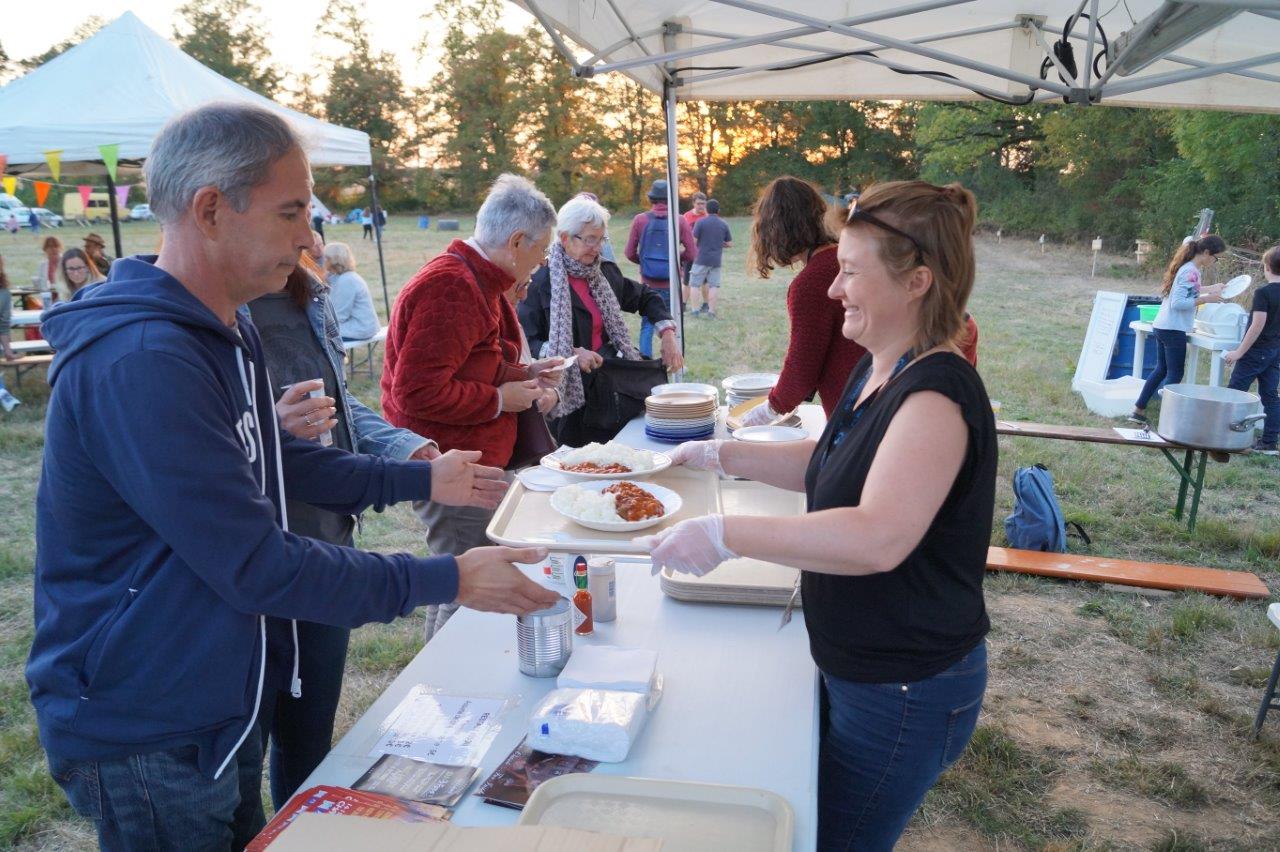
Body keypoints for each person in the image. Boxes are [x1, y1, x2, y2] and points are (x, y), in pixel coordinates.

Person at [26, 103, 558, 851]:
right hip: (149, 722)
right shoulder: (146, 360)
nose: (310, 238)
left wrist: (420, 480)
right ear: (211, 210)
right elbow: (254, 564)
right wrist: (450, 578)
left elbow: (274, 460)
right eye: (290, 214)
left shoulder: (226, 325)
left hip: (217, 696)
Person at [640, 180, 996, 851]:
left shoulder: (936, 395)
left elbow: (876, 537)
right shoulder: (879, 367)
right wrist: (723, 455)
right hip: (861, 664)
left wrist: (725, 534)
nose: (834, 290)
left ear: (917, 281)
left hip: (904, 686)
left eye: (852, 274)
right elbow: (830, 458)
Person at [247, 248, 440, 810]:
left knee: (308, 739)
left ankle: (302, 830)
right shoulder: (209, 310)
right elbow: (201, 435)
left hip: (326, 537)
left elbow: (337, 403)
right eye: (290, 212)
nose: (307, 232)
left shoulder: (308, 294)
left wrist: (406, 447)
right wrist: (271, 428)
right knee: (238, 769)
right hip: (255, 554)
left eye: (308, 212)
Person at [383, 173, 565, 642]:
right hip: (453, 466)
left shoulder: (477, 282)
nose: (542, 263)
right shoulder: (452, 288)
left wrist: (524, 375)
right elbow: (416, 393)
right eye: (541, 251)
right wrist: (501, 399)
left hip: (473, 463)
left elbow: (473, 364)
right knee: (464, 587)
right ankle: (440, 694)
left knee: (462, 580)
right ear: (517, 240)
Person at [521, 196, 684, 447]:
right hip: (570, 399)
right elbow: (527, 341)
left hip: (609, 393)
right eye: (589, 239)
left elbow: (645, 296)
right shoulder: (540, 283)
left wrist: (668, 334)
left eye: (600, 239)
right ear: (565, 238)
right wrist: (572, 354)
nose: (596, 247)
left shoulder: (604, 273)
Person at [739, 177, 867, 427]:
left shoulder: (811, 283)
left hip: (855, 412)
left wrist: (771, 408)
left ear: (772, 230)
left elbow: (802, 366)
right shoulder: (849, 256)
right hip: (879, 396)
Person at [1130, 236, 1226, 424]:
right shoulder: (1192, 271)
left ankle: (1138, 410)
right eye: (1216, 258)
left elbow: (1189, 290)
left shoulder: (1188, 267)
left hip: (1162, 325)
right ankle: (1169, 418)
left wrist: (1211, 289)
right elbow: (1179, 303)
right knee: (1175, 373)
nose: (1215, 262)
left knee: (1161, 369)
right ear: (1206, 253)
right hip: (1173, 329)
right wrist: (1207, 299)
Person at [624, 179, 695, 357]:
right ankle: (675, 360)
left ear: (652, 199)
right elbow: (692, 253)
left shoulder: (640, 220)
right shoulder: (679, 220)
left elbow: (629, 252)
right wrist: (675, 260)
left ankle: (646, 361)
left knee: (647, 324)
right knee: (673, 322)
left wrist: (645, 263)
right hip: (672, 282)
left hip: (648, 283)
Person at [1224, 245, 1280, 454]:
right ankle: (1270, 441)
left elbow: (1257, 325)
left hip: (1256, 351)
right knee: (1270, 395)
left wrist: (1239, 352)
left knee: (1234, 393)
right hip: (1275, 350)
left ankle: (1224, 437)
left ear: (1267, 267)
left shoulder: (1263, 293)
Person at [323, 241, 380, 341]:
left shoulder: (347, 280)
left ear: (333, 260)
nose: (324, 261)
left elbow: (339, 315)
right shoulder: (341, 277)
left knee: (317, 334)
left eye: (326, 258)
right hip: (361, 326)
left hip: (360, 329)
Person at [689, 199, 732, 318]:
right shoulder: (723, 224)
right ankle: (711, 312)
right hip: (716, 260)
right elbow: (729, 243)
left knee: (694, 285)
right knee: (714, 286)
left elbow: (694, 241)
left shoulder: (700, 222)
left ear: (706, 209)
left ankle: (695, 311)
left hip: (701, 259)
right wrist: (719, 243)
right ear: (718, 210)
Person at [0, 256, 19, 412]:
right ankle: (2, 393)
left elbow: (3, 325)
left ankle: (2, 393)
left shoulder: (4, 293)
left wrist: (8, 350)